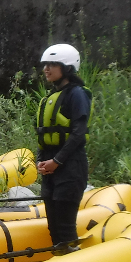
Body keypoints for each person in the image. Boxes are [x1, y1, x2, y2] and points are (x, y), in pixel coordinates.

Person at [35, 44, 92, 250]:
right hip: (51, 167)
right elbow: (42, 136)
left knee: (66, 226)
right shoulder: (50, 98)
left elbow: (79, 133)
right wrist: (40, 161)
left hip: (70, 166)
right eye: (45, 65)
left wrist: (57, 161)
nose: (46, 69)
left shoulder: (77, 94)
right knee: (54, 227)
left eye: (52, 64)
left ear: (67, 67)